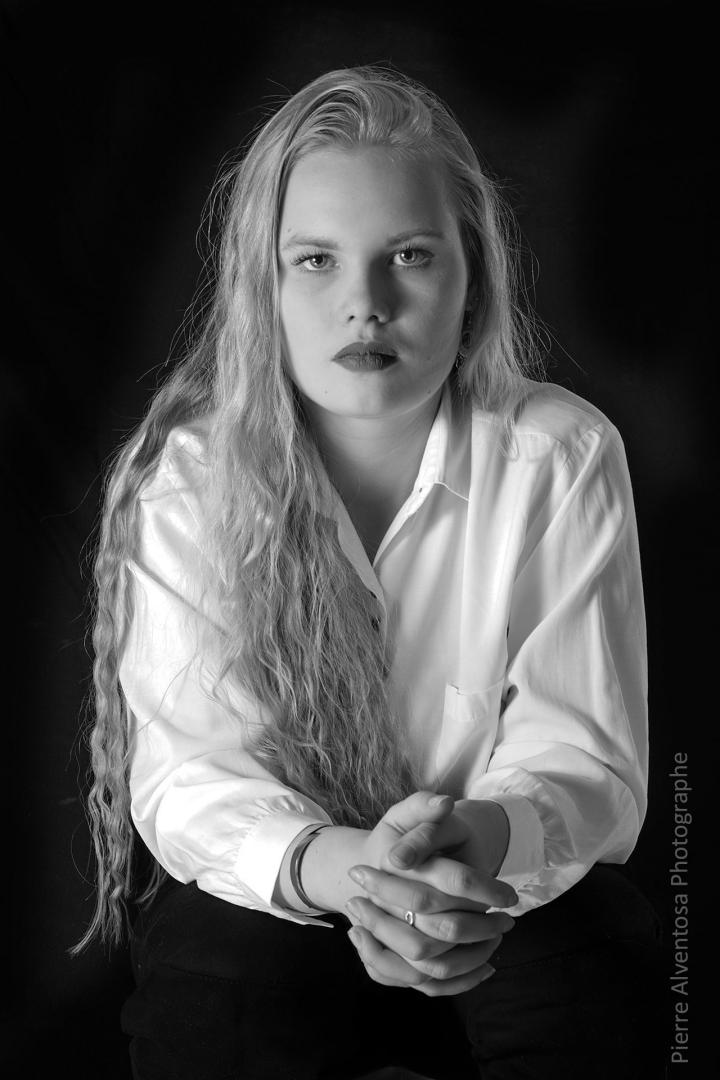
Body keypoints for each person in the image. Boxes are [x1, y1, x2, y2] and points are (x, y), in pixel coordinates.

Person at [76, 66, 663, 1079]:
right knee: (219, 983)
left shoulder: (560, 455)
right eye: (315, 260)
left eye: (411, 257)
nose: (366, 304)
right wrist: (354, 872)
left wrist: (468, 843)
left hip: (488, 891)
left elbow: (584, 753)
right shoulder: (190, 482)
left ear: (474, 277)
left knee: (598, 962)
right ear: (261, 284)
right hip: (293, 895)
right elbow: (191, 777)